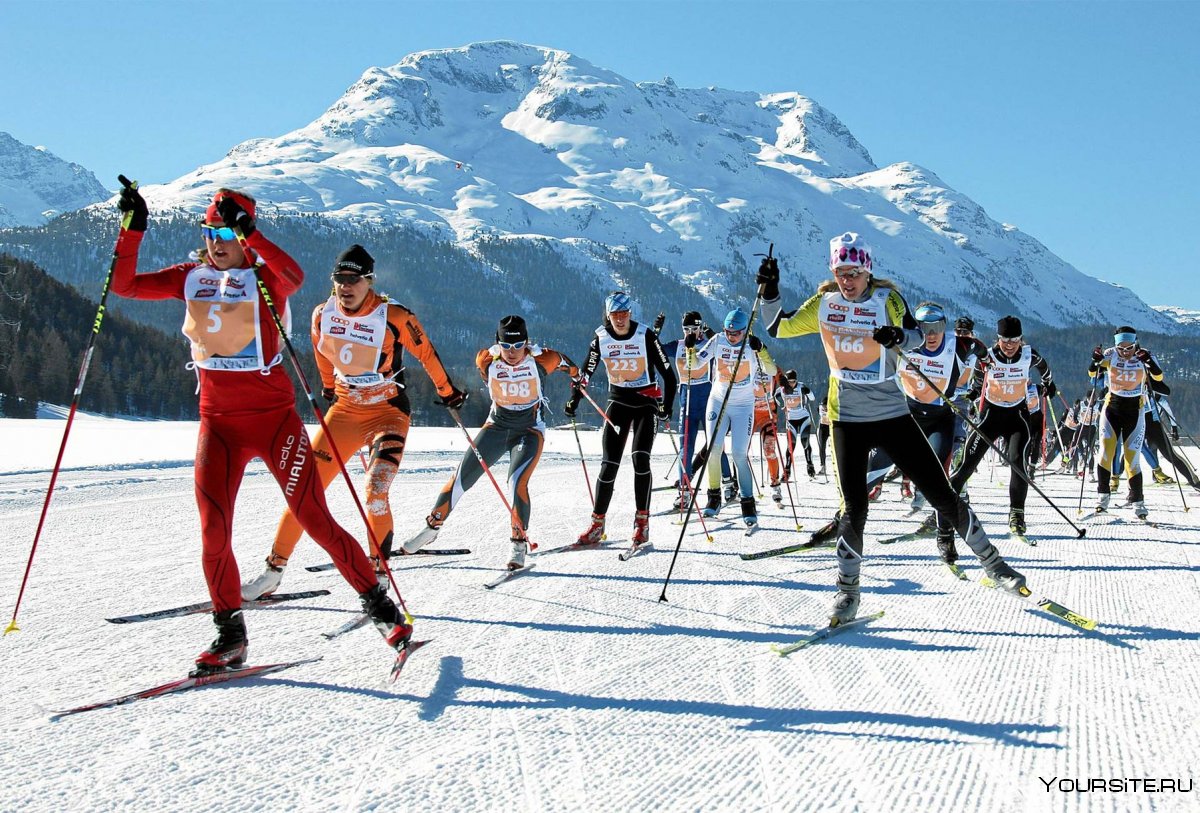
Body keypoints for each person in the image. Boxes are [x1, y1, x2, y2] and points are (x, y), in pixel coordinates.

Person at [113, 184, 411, 673]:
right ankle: (230, 635)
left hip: (275, 423)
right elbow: (125, 285)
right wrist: (133, 228)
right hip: (219, 425)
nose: (216, 243)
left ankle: (382, 611)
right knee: (214, 531)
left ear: (245, 235)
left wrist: (254, 232)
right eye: (210, 232)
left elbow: (294, 274)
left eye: (227, 232)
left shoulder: (265, 279)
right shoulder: (190, 277)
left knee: (314, 519)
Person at [758, 232, 1025, 624]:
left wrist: (900, 335)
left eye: (854, 272)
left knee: (942, 494)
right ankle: (847, 594)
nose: (847, 280)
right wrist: (771, 289)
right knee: (855, 509)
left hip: (891, 414)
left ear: (868, 271)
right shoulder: (824, 303)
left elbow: (919, 337)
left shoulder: (888, 300)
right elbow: (777, 328)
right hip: (846, 418)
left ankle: (995, 565)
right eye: (840, 272)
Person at [240, 244, 465, 600]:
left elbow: (426, 352)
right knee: (303, 493)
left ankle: (379, 572)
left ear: (369, 281)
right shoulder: (321, 314)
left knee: (375, 493)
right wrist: (328, 387)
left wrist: (448, 391)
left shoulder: (395, 316)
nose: (345, 286)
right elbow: (320, 350)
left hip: (388, 413)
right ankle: (273, 570)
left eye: (353, 279)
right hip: (344, 411)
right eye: (339, 279)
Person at [402, 316, 578, 567]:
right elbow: (483, 366)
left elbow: (567, 364)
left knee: (516, 482)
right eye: (506, 346)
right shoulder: (486, 360)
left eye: (518, 347)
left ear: (527, 343)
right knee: (462, 477)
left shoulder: (542, 359)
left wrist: (577, 376)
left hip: (530, 430)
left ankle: (518, 543)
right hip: (496, 427)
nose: (512, 353)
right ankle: (431, 528)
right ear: (498, 344)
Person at [568, 292, 677, 549]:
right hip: (617, 401)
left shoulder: (645, 335)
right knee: (609, 464)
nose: (619, 319)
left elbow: (669, 376)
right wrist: (574, 399)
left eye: (624, 314)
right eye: (614, 315)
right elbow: (586, 373)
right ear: (608, 315)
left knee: (641, 458)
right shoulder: (601, 339)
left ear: (630, 314)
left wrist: (666, 407)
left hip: (646, 402)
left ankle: (642, 523)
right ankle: (597, 524)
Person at [937, 315, 1056, 544]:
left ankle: (1017, 517)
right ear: (998, 338)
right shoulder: (988, 356)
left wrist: (1049, 384)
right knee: (965, 466)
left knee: (1017, 463)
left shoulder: (1030, 355)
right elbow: (979, 380)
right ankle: (945, 513)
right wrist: (972, 393)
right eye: (1004, 340)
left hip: (1017, 417)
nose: (1009, 345)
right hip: (990, 417)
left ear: (1021, 339)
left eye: (1014, 340)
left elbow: (1045, 369)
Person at [690, 308, 778, 527]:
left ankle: (748, 503)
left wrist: (762, 350)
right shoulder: (717, 341)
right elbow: (696, 364)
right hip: (719, 400)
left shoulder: (750, 345)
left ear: (744, 331)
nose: (731, 337)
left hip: (743, 406)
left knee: (739, 454)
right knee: (714, 448)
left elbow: (771, 369)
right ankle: (714, 497)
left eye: (736, 333)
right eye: (728, 332)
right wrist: (691, 347)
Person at [1088, 326, 1163, 517]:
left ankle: (1138, 502)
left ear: (1135, 343)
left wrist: (1148, 362)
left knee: (1132, 459)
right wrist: (1094, 360)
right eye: (1121, 349)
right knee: (1106, 453)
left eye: (1129, 348)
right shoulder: (1110, 355)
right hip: (1112, 409)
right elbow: (1092, 374)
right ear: (1116, 346)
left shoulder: (1144, 354)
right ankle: (1102, 498)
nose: (1125, 352)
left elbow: (1159, 377)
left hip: (1135, 412)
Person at [780, 370, 817, 481]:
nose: (791, 384)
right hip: (791, 419)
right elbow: (775, 397)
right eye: (789, 381)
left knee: (805, 441)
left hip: (804, 418)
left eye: (793, 381)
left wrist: (808, 391)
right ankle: (787, 470)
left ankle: (810, 465)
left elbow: (812, 398)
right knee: (791, 445)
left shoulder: (801, 387)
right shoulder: (782, 389)